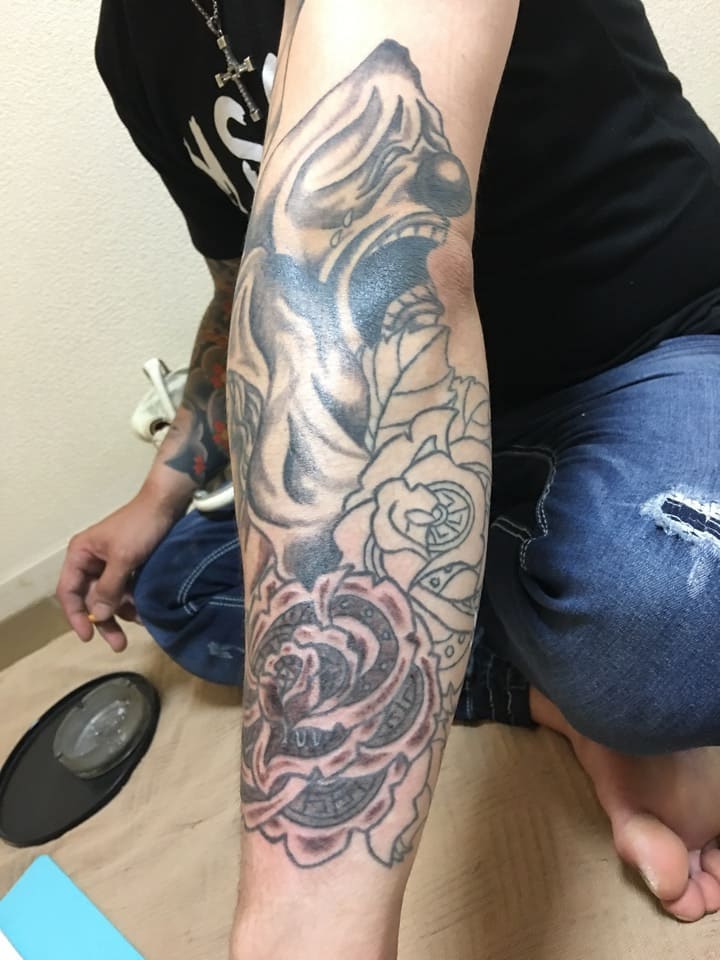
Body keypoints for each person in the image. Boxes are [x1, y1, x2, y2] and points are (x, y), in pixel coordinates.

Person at [56, 0, 720, 953]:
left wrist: (300, 938)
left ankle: (511, 631)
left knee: (676, 610)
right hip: (432, 429)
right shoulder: (133, 44)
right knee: (171, 585)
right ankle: (546, 690)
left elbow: (351, 271)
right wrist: (157, 495)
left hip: (645, 348)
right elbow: (245, 292)